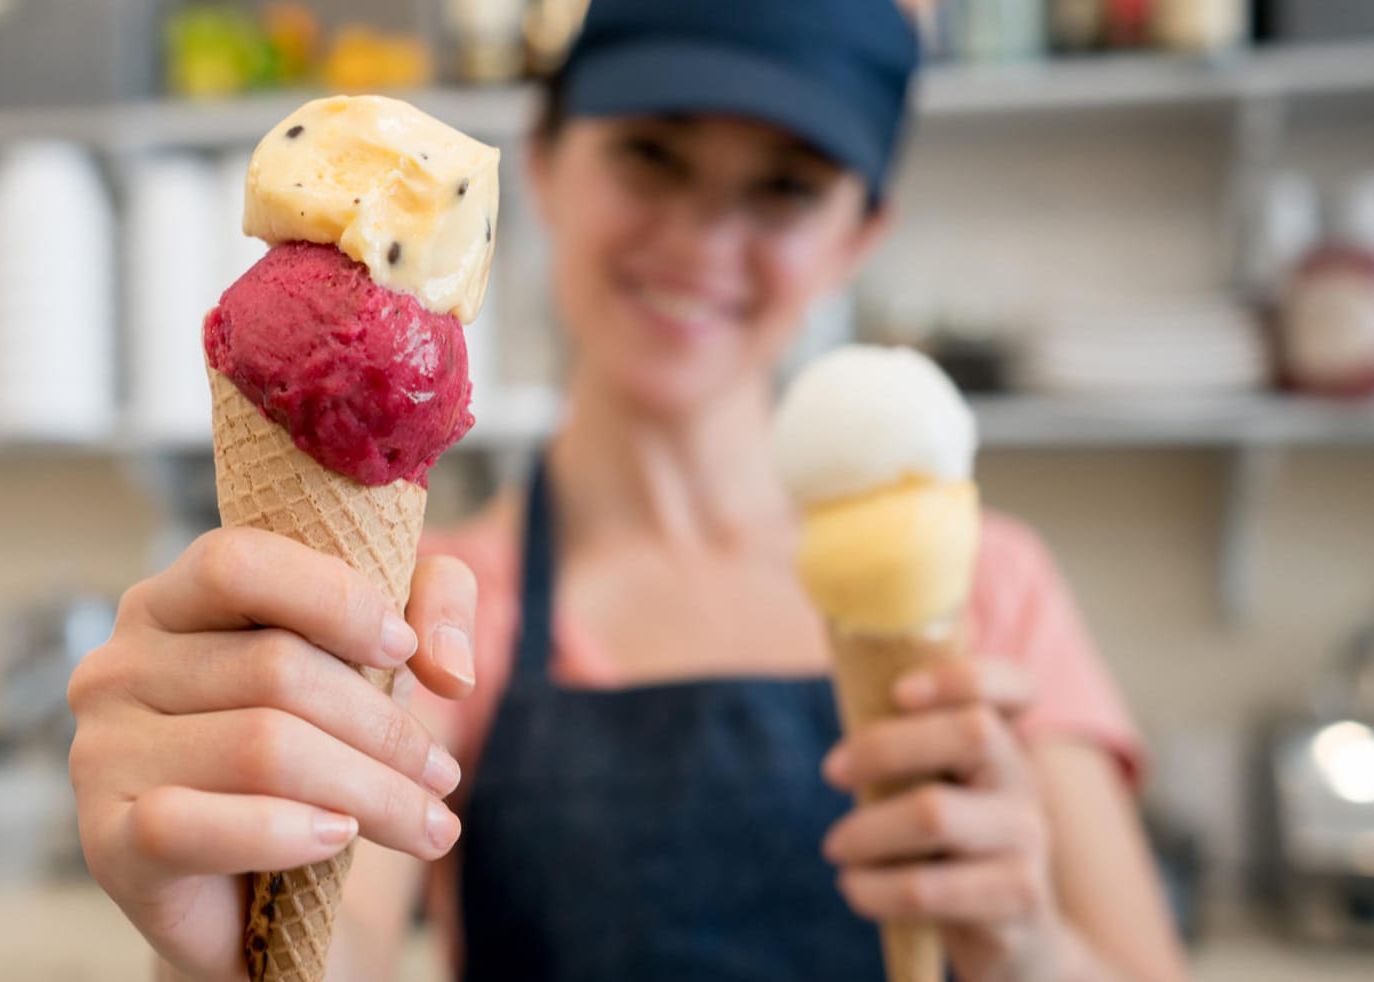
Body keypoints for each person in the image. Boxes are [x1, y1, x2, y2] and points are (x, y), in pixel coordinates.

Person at [66, 1, 1192, 979]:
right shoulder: (436, 613)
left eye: (787, 188)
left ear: (861, 234)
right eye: (653, 154)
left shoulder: (992, 585)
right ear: (547, 157)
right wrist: (217, 945)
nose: (703, 236)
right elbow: (336, 950)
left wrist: (1033, 950)